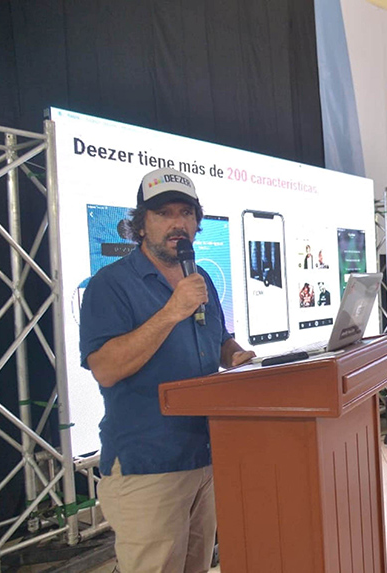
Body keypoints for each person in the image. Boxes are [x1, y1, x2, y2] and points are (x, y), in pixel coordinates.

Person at [79, 168, 255, 573]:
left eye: (186, 213)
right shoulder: (111, 284)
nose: (178, 223)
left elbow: (219, 341)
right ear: (141, 225)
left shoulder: (200, 277)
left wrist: (237, 356)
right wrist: (172, 310)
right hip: (148, 464)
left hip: (205, 456)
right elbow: (106, 368)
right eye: (164, 213)